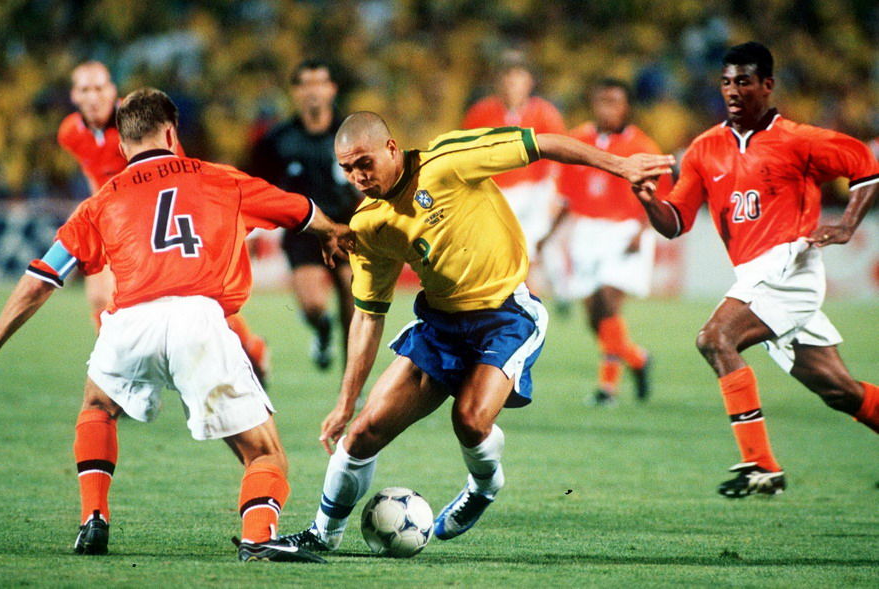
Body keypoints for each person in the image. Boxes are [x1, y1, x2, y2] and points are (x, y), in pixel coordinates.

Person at [0, 88, 351, 563]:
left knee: (97, 405)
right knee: (264, 453)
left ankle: (93, 517)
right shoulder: (220, 179)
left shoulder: (102, 199)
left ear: (122, 144)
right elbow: (299, 210)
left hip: (129, 321)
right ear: (172, 133)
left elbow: (43, 275)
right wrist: (334, 232)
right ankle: (259, 534)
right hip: (198, 320)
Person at [276, 112, 674, 553]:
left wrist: (621, 166)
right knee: (361, 434)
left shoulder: (449, 161)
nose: (358, 177)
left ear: (391, 148)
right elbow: (368, 316)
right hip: (441, 326)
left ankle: (483, 486)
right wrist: (344, 403)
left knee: (468, 419)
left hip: (507, 315)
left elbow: (543, 144)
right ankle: (320, 537)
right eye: (348, 169)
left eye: (364, 163)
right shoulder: (370, 224)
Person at [632, 42, 878, 498]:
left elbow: (866, 166)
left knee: (714, 338)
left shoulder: (800, 139)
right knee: (839, 391)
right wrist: (649, 200)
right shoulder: (705, 148)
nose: (733, 90)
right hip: (755, 275)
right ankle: (766, 464)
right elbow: (677, 222)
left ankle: (762, 466)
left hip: (790, 264)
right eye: (726, 82)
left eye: (743, 81)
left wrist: (846, 225)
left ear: (767, 85)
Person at [59, 62, 272, 384]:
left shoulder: (138, 124)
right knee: (100, 297)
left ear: (112, 91)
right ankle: (121, 378)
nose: (94, 96)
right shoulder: (71, 133)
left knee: (195, 299)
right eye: (86, 90)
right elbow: (95, 175)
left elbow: (177, 170)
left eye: (100, 88)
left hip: (157, 222)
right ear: (75, 95)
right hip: (116, 220)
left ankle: (250, 348)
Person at [544, 79, 672, 406]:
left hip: (625, 231)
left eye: (614, 101)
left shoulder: (643, 145)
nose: (607, 108)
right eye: (601, 101)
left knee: (608, 301)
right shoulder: (578, 140)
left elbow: (660, 195)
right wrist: (548, 234)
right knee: (595, 317)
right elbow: (568, 197)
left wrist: (643, 232)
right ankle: (637, 359)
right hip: (587, 232)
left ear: (626, 106)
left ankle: (607, 389)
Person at [249, 60, 361, 371]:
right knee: (313, 306)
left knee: (353, 310)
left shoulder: (351, 133)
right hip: (303, 232)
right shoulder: (277, 140)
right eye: (306, 84)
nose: (313, 91)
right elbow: (255, 186)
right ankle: (322, 330)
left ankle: (352, 388)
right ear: (296, 92)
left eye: (319, 83)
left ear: (332, 89)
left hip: (348, 229)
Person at [462, 51, 567, 290]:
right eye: (506, 77)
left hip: (534, 190)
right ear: (497, 82)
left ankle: (533, 300)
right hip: (495, 191)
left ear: (529, 82)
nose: (511, 84)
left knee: (524, 251)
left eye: (518, 77)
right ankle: (537, 295)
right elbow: (466, 156)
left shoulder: (545, 113)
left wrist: (553, 192)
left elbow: (559, 155)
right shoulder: (480, 113)